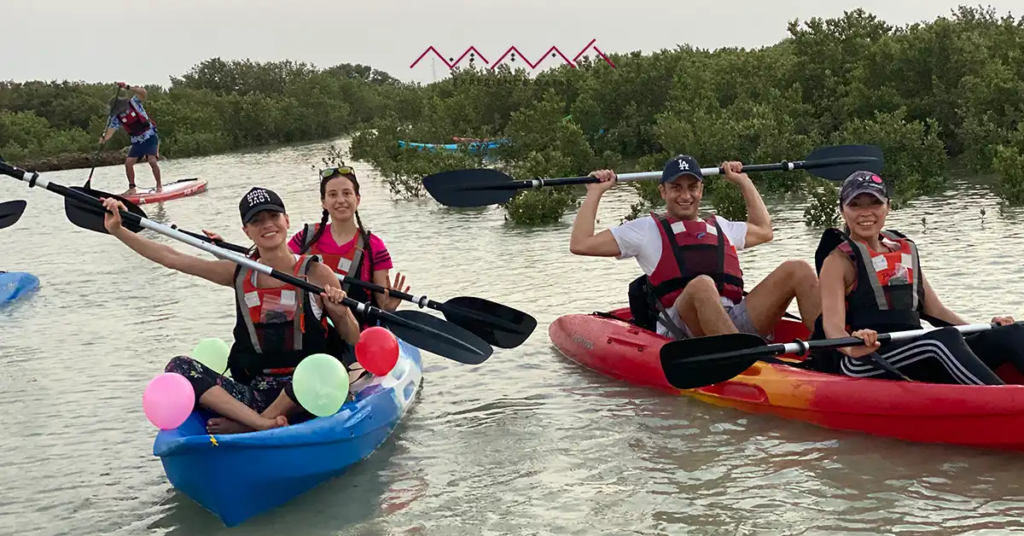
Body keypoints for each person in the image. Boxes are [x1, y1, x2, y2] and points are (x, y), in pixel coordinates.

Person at [102, 187, 362, 434]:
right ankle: (259, 423)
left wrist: (338, 311)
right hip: (256, 393)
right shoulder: (238, 273)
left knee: (319, 368)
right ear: (246, 231)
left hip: (309, 392)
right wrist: (119, 231)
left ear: (286, 220)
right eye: (257, 220)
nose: (268, 224)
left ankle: (250, 425)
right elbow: (174, 258)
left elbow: (353, 337)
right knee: (179, 367)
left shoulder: (316, 273)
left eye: (273, 216)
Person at [569, 155, 821, 341]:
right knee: (701, 284)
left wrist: (743, 182)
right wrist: (595, 192)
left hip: (732, 318)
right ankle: (738, 356)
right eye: (676, 188)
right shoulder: (644, 230)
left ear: (701, 189)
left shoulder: (720, 225)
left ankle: (831, 351)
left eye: (692, 187)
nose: (685, 195)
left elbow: (764, 230)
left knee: (797, 269)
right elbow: (580, 244)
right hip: (684, 328)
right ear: (662, 191)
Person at [812, 170, 1024, 384]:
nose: (865, 212)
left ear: (888, 206)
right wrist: (852, 345)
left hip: (914, 349)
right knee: (942, 340)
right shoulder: (837, 261)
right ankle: (1006, 403)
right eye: (855, 205)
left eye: (874, 203)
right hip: (864, 359)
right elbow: (833, 327)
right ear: (842, 210)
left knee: (1013, 331)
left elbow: (935, 311)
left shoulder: (902, 249)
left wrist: (982, 330)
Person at [204, 166, 408, 330]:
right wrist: (220, 249)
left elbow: (382, 303)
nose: (340, 200)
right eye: (333, 194)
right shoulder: (307, 237)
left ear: (358, 199)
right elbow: (270, 264)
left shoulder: (373, 245)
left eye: (347, 193)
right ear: (323, 202)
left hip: (356, 329)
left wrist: (389, 308)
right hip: (312, 329)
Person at [100, 81, 161, 195]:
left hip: (150, 136)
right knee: (128, 163)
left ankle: (159, 186)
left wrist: (128, 87)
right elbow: (110, 131)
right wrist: (104, 139)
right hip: (137, 141)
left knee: (152, 160)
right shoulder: (116, 117)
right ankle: (132, 187)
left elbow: (143, 93)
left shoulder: (134, 102)